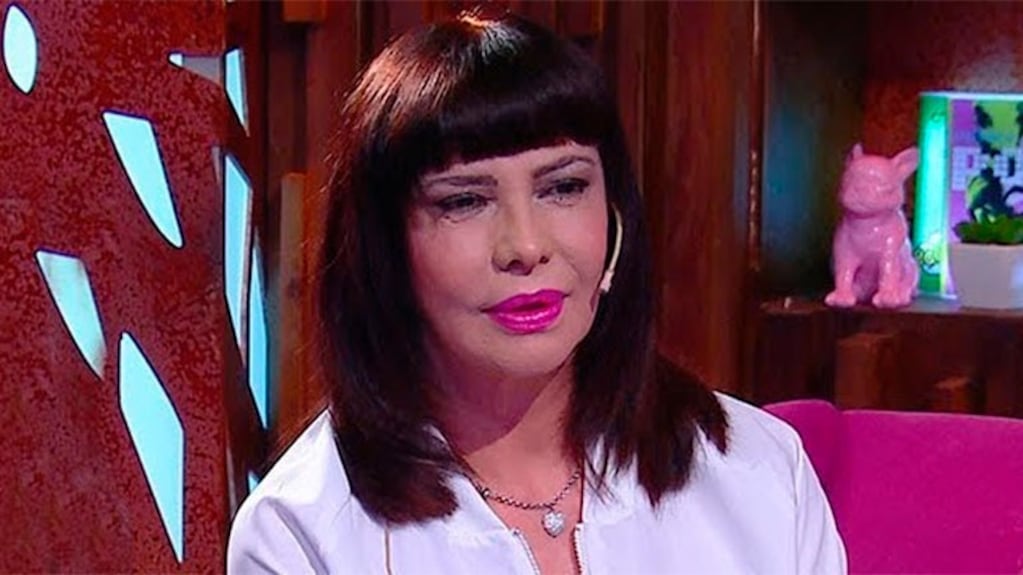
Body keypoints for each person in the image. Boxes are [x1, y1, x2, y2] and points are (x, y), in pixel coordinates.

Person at [227, 11, 846, 575]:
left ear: (616, 218)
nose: (525, 246)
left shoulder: (759, 473)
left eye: (563, 188)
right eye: (464, 201)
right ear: (385, 249)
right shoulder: (301, 533)